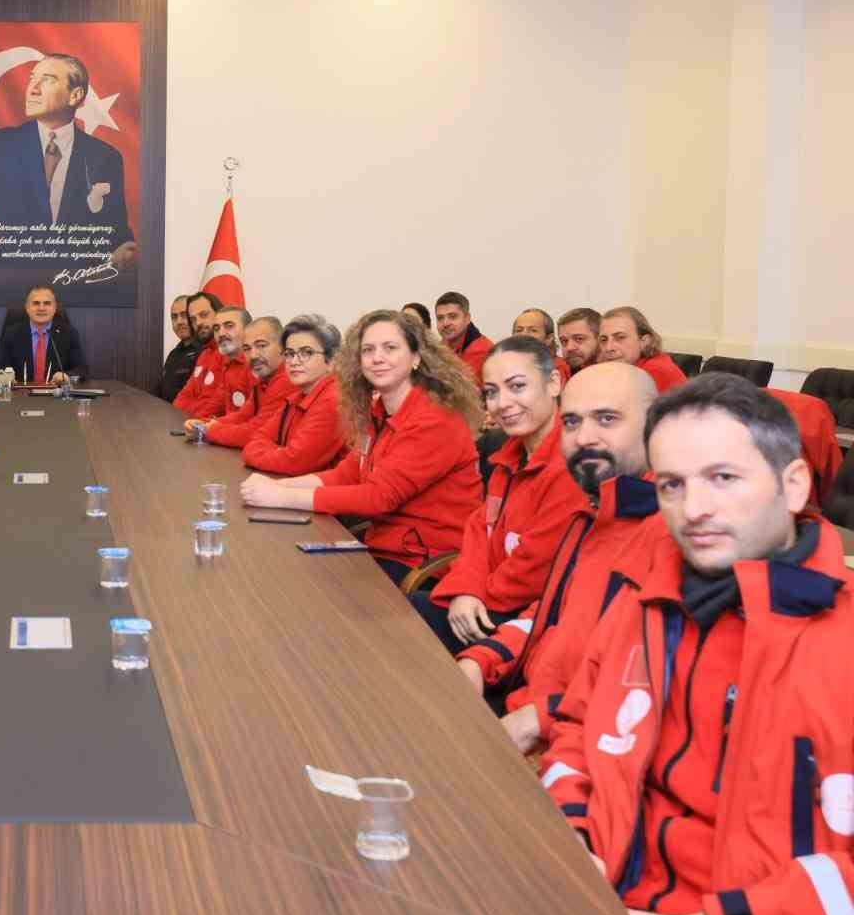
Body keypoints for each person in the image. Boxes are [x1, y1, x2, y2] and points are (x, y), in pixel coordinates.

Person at [541, 374, 853, 915]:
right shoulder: (644, 600)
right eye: (672, 485)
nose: (693, 509)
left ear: (795, 485)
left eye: (723, 478)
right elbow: (576, 731)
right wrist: (573, 839)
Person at [454, 362, 660, 753]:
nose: (584, 437)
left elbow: (648, 686)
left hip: (571, 739)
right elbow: (548, 615)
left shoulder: (670, 536)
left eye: (607, 419)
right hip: (526, 706)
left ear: (656, 426)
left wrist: (540, 718)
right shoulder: (591, 512)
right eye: (571, 422)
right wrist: (482, 660)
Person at [240, 310, 483, 584]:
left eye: (390, 348)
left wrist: (281, 497)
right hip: (385, 545)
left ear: (416, 357)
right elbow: (347, 474)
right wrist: (278, 486)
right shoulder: (380, 411)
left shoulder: (435, 418)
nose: (377, 358)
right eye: (368, 350)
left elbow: (377, 497)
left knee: (308, 586)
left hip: (424, 563)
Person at [412, 336, 589, 654]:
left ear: (553, 383)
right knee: (396, 618)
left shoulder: (571, 466)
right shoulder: (509, 455)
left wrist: (474, 596)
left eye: (517, 386)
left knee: (406, 629)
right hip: (485, 597)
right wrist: (464, 589)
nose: (502, 403)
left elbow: (533, 570)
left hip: (529, 621)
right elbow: (480, 531)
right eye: (491, 392)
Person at [0, 53, 135, 282]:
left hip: (81, 287)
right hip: (9, 286)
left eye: (47, 80)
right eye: (32, 79)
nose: (32, 89)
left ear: (75, 95)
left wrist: (124, 251)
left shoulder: (105, 157)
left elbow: (115, 231)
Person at [236, 315, 349, 477]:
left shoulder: (335, 400)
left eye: (306, 352)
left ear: (330, 361)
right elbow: (256, 439)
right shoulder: (296, 396)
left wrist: (267, 451)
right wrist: (278, 452)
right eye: (289, 354)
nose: (294, 361)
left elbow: (294, 462)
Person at [199, 316, 293, 450]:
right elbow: (243, 416)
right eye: (247, 348)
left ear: (283, 347)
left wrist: (207, 431)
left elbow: (256, 432)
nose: (253, 355)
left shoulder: (287, 379)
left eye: (261, 346)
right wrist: (204, 424)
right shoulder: (263, 379)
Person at [0, 284, 90, 383]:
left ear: (54, 308)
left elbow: (81, 369)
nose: (41, 308)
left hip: (55, 391)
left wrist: (66, 376)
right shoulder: (12, 334)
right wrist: (7, 377)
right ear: (27, 308)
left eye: (47, 303)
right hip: (21, 391)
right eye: (36, 303)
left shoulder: (69, 333)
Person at [178, 306, 253, 422]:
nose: (221, 333)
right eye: (217, 328)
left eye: (229, 326)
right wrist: (196, 423)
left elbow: (254, 420)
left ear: (248, 330)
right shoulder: (230, 366)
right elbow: (215, 406)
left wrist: (205, 426)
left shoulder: (257, 366)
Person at [598, 305, 687, 394]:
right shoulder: (622, 369)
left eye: (620, 337)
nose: (609, 348)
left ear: (644, 341)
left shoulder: (654, 372)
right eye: (603, 340)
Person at [171, 291, 227, 415]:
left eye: (204, 315)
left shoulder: (230, 353)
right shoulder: (204, 355)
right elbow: (183, 396)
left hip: (206, 424)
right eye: (193, 319)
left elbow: (218, 405)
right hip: (187, 422)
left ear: (219, 314)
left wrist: (190, 412)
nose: (198, 323)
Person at [435, 291, 494, 383]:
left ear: (467, 318)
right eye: (440, 318)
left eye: (452, 316)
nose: (445, 323)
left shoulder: (485, 352)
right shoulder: (439, 347)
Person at [158, 294, 201, 403]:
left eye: (184, 315)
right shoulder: (173, 354)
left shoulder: (205, 351)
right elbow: (160, 390)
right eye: (174, 317)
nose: (179, 322)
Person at [513, 307, 571, 384]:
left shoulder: (557, 368)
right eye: (519, 330)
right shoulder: (508, 365)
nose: (524, 335)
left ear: (549, 338)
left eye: (533, 330)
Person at [557, 307, 601, 373]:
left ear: (599, 339)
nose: (569, 348)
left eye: (579, 339)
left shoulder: (615, 373)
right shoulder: (557, 373)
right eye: (564, 341)